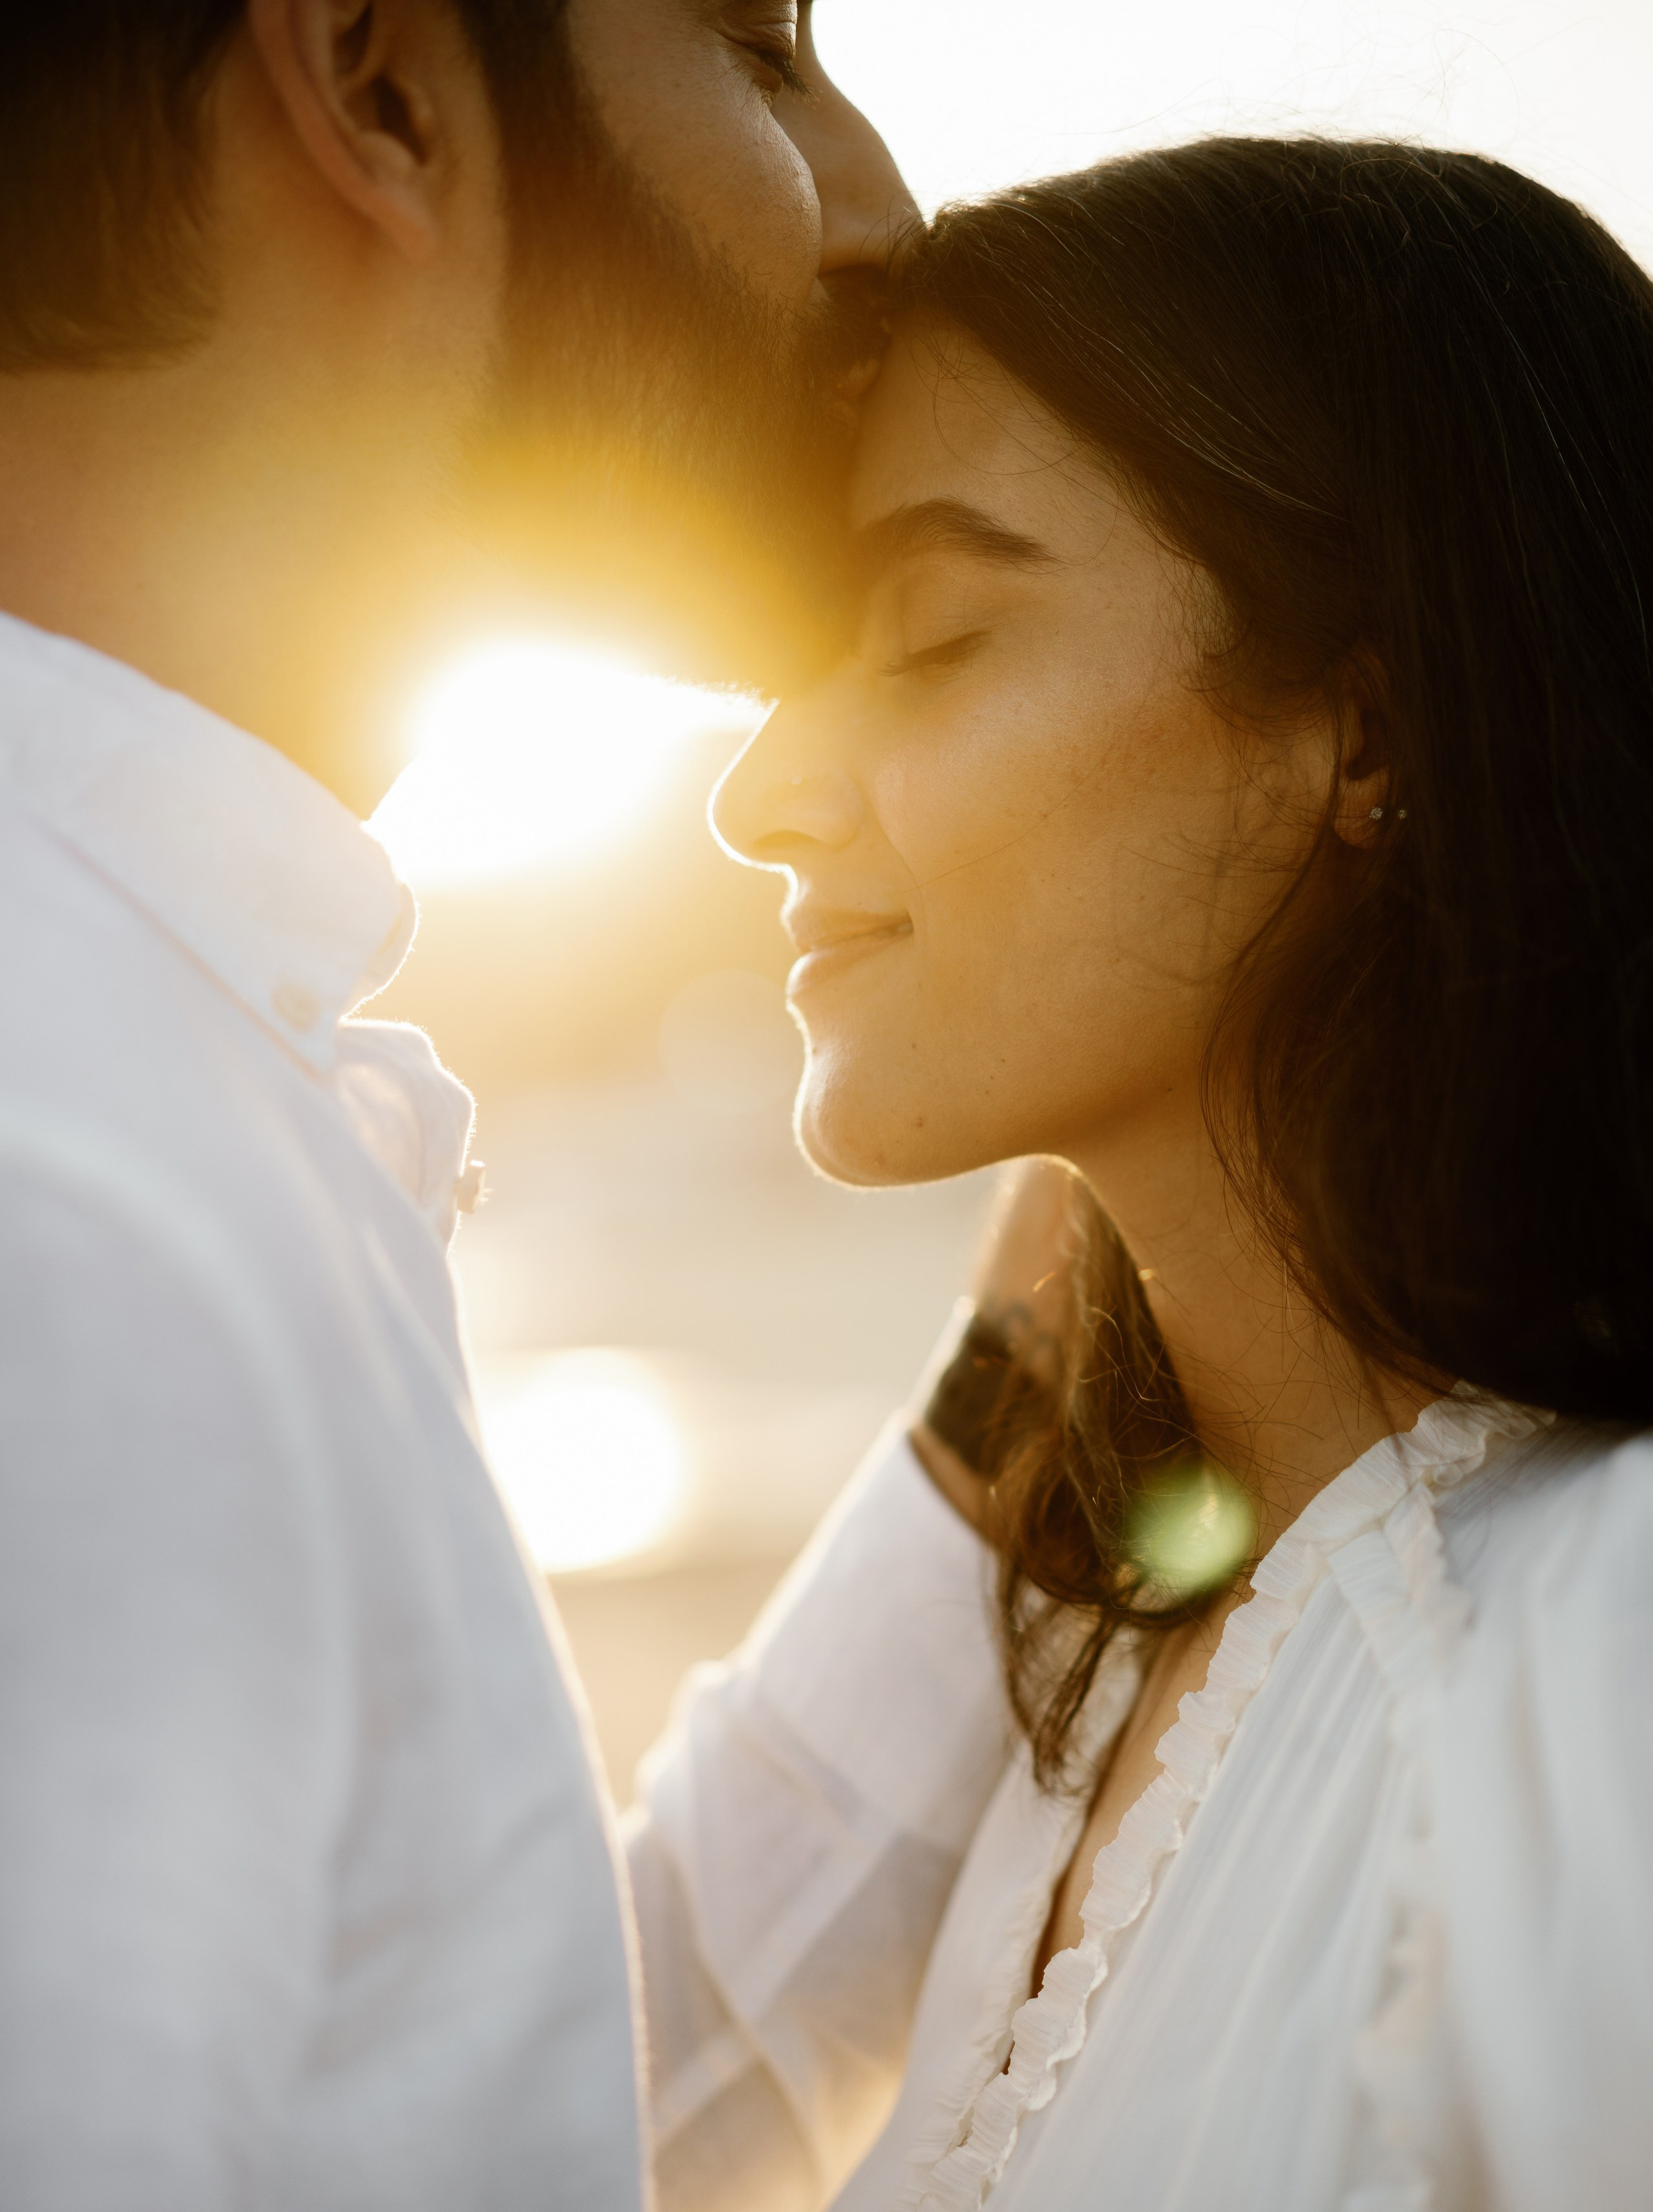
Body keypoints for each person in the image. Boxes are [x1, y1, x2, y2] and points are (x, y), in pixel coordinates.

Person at [664, 138, 1653, 2210]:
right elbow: (622, 2082)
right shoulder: (1096, 1681)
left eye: (931, 637)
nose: (758, 791)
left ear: (1372, 739)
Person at [0, 4, 1010, 2204]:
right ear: (381, 83)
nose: (884, 205)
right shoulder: (71, 1219)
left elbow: (478, 2099)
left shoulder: (159, 1050)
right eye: (761, 47)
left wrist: (1036, 1387)